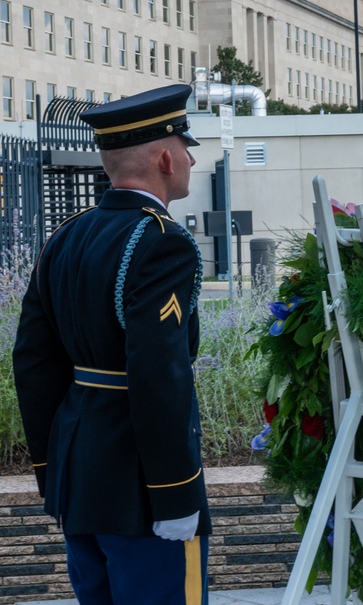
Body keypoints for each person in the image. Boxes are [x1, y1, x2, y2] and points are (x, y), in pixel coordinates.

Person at [13, 84, 212, 604]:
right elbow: (158, 372)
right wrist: (174, 492)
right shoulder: (162, 241)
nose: (192, 158)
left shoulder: (67, 235)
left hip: (81, 479)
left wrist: (52, 472)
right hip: (141, 488)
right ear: (166, 157)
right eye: (186, 146)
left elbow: (34, 361)